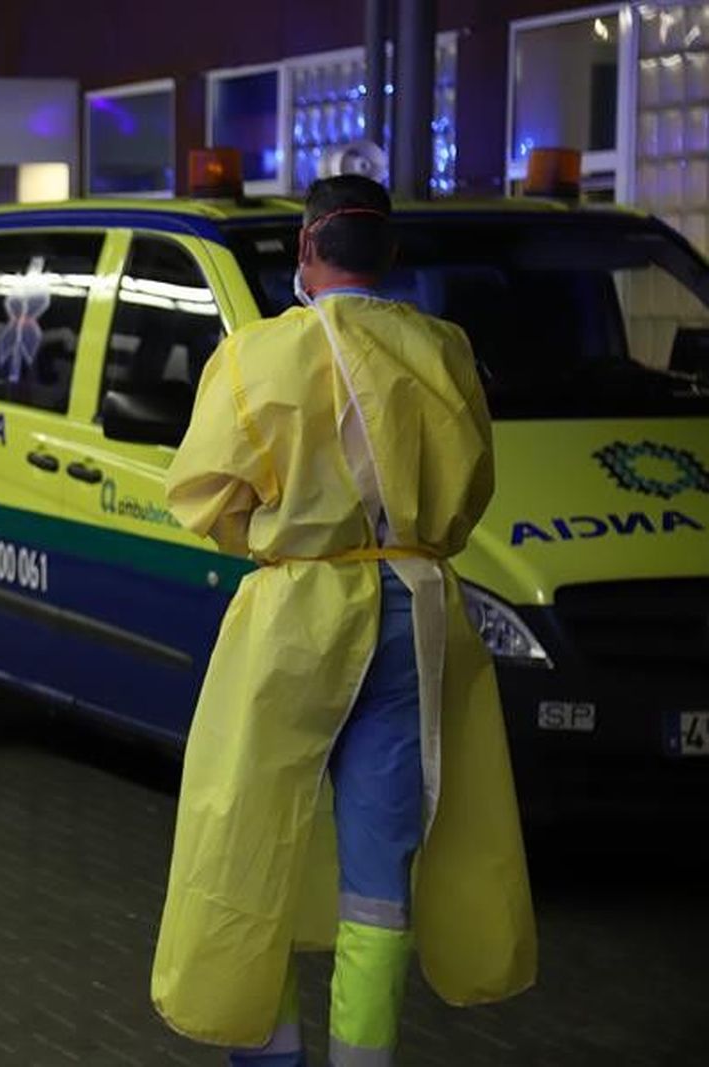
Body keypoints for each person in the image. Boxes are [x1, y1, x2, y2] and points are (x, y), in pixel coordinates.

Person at [149, 176, 536, 1067]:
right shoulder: (444, 351)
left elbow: (203, 495)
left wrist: (284, 538)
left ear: (304, 252)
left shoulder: (257, 356)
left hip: (294, 618)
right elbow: (470, 495)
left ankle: (270, 1053)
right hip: (415, 614)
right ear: (391, 256)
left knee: (257, 835)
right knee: (380, 862)